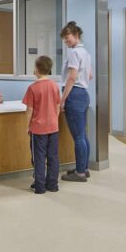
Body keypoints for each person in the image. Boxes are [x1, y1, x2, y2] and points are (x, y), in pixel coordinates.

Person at [59, 21, 93, 183]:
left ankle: (79, 173)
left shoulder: (74, 53)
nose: (66, 41)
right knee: (82, 135)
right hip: (84, 94)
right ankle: (83, 168)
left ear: (76, 35)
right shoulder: (86, 53)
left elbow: (72, 77)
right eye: (64, 39)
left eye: (67, 37)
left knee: (78, 137)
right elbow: (90, 75)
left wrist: (62, 100)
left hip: (74, 94)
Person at [22, 56, 61, 194]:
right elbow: (58, 106)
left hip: (38, 130)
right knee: (53, 157)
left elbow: (29, 110)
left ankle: (40, 187)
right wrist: (53, 119)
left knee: (39, 158)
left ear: (37, 69)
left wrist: (27, 126)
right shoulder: (55, 86)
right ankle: (53, 185)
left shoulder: (32, 88)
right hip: (53, 128)